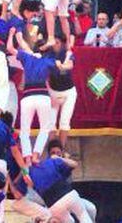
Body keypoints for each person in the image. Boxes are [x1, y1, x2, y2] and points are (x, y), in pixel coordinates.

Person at [7, 30, 71, 165]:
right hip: (42, 96)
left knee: (25, 130)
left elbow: (9, 48)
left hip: (27, 97)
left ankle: (28, 157)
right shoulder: (49, 60)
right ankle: (36, 155)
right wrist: (66, 57)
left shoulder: (27, 57)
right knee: (45, 129)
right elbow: (63, 69)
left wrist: (11, 34)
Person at [15, 151, 93, 222]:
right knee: (83, 216)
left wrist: (16, 178)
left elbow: (18, 195)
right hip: (68, 195)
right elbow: (74, 164)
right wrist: (59, 158)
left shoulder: (26, 175)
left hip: (54, 205)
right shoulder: (51, 161)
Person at [47, 140, 97, 222]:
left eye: (58, 152)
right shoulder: (47, 166)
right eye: (53, 152)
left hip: (70, 198)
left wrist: (61, 158)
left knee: (91, 208)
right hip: (55, 203)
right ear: (49, 154)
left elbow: (74, 164)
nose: (56, 154)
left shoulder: (64, 162)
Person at [47, 36, 76, 149]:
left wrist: (61, 66)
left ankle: (61, 151)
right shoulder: (48, 55)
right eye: (54, 42)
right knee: (51, 123)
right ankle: (52, 152)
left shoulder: (68, 53)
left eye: (57, 42)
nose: (55, 45)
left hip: (68, 93)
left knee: (64, 122)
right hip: (53, 92)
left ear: (62, 44)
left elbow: (70, 65)